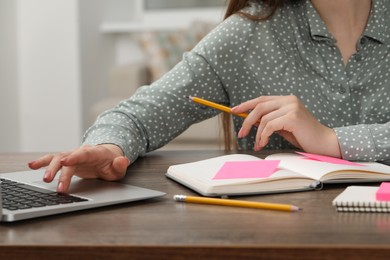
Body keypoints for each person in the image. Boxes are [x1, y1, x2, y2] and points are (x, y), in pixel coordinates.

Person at [28, 0, 390, 193]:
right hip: (282, 236)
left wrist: (332, 140)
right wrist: (110, 147)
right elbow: (138, 114)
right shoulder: (245, 36)